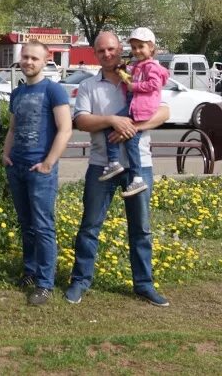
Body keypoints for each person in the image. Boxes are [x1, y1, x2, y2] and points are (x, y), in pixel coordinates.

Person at [65, 31, 170, 307]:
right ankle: (80, 280)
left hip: (139, 166)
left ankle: (144, 284)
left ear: (120, 48)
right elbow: (82, 121)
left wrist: (134, 127)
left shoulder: (138, 75)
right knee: (89, 226)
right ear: (95, 54)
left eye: (112, 49)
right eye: (102, 51)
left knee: (141, 229)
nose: (108, 54)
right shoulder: (89, 85)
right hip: (102, 166)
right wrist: (113, 119)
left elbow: (164, 111)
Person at [2, 41, 72, 306]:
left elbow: (65, 129)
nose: (28, 62)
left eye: (34, 58)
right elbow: (12, 128)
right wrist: (6, 155)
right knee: (27, 225)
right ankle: (30, 271)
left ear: (45, 61)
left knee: (43, 227)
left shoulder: (54, 91)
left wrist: (48, 163)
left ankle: (44, 282)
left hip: (40, 171)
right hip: (17, 167)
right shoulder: (17, 93)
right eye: (25, 57)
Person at [98, 28, 169, 198]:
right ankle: (116, 163)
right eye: (134, 47)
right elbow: (129, 81)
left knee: (130, 142)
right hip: (134, 105)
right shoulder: (138, 65)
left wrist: (133, 86)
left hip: (141, 109)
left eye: (141, 47)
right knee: (111, 125)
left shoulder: (151, 66)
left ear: (151, 47)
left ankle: (135, 176)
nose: (137, 51)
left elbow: (154, 85)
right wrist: (124, 74)